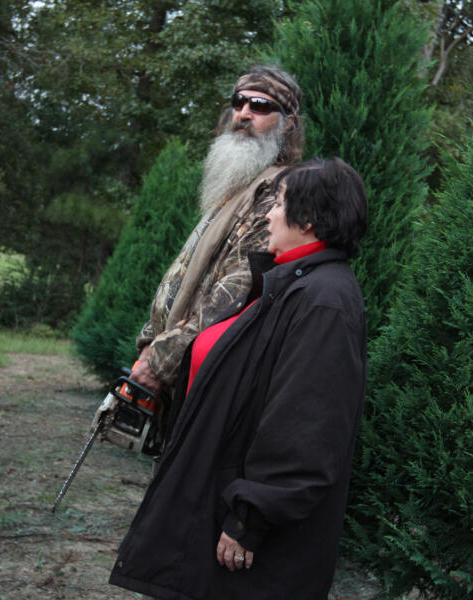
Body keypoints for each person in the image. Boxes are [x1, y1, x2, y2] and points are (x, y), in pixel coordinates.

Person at [109, 157, 368, 599]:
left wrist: (251, 516)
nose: (268, 214)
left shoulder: (324, 300)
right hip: (218, 501)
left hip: (250, 530)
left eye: (280, 204)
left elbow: (307, 425)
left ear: (309, 219)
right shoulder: (290, 283)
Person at [129, 65, 305, 421]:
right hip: (175, 370)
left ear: (287, 124)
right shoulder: (235, 183)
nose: (243, 114)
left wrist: (162, 360)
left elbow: (234, 294)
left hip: (212, 381)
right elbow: (183, 273)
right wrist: (150, 341)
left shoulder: (277, 195)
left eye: (260, 106)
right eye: (239, 102)